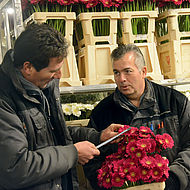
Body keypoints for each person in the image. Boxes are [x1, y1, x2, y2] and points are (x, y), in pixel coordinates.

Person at [0, 23, 123, 190]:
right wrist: (73, 154)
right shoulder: (5, 100)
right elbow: (15, 168)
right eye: (53, 71)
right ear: (27, 67)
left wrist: (98, 136)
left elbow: (52, 133)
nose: (59, 76)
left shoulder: (42, 86)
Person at [83, 44, 190, 190]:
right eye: (116, 72)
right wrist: (110, 185)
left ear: (143, 71)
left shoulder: (174, 102)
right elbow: (91, 158)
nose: (121, 79)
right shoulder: (102, 112)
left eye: (128, 71)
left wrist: (173, 179)